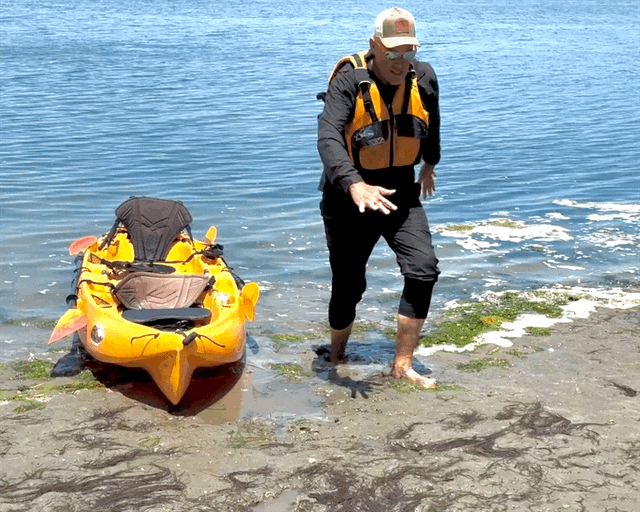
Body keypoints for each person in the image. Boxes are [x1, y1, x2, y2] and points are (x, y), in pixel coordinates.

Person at [317, 7, 441, 388]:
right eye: (392, 53)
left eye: (408, 52)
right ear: (374, 46)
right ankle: (336, 355)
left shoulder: (424, 77)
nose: (401, 62)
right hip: (349, 197)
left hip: (399, 190)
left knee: (423, 269)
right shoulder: (348, 81)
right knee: (348, 285)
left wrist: (430, 164)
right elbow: (328, 136)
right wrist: (353, 183)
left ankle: (402, 364)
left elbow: (431, 121)